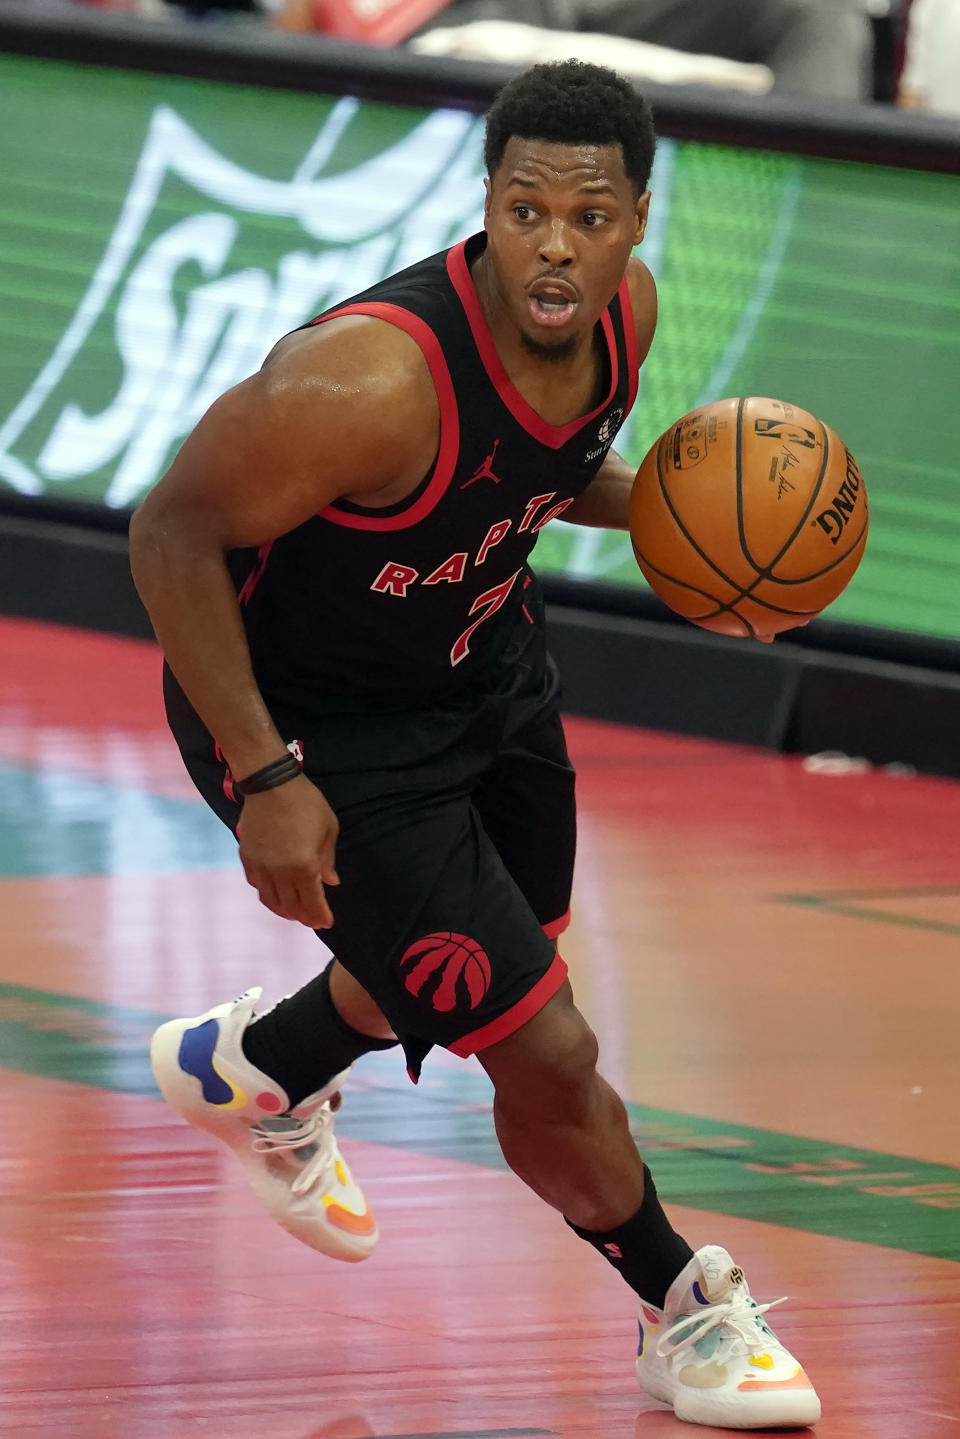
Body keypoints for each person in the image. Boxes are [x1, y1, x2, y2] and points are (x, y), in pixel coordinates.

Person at [130, 60, 820, 1429]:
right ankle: (686, 1310)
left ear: (636, 221)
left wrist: (709, 538)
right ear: (487, 208)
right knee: (543, 1050)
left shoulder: (627, 319)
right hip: (320, 726)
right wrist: (269, 775)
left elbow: (548, 476)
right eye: (524, 210)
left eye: (588, 214)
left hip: (485, 667)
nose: (554, 244)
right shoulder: (368, 382)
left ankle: (261, 1066)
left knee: (486, 967)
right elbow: (170, 532)